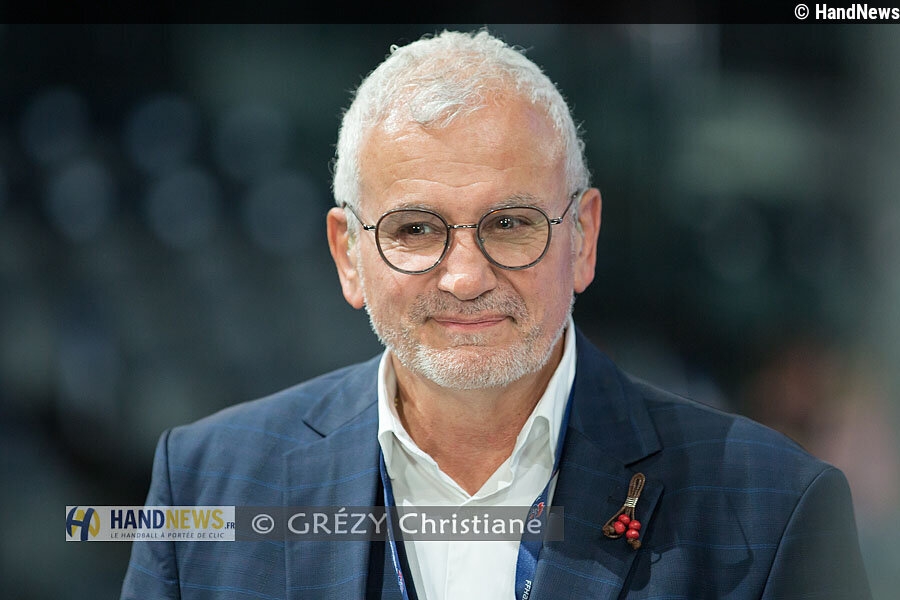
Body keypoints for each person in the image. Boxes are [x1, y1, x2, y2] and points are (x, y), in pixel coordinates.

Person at [121, 30, 871, 600]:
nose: (465, 276)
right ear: (348, 255)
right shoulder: (204, 487)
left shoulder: (775, 507)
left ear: (583, 239)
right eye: (416, 229)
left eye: (510, 224)